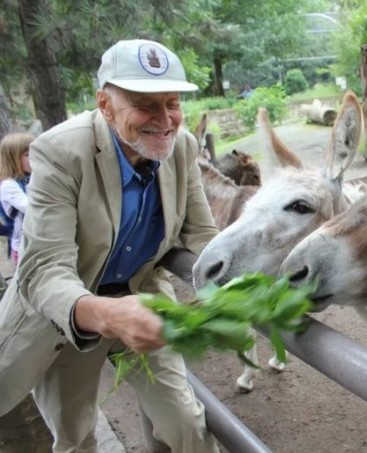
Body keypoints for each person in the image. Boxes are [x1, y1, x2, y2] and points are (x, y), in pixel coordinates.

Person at [0, 39, 220, 452]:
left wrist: (245, 280)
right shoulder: (60, 151)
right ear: (104, 104)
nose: (165, 119)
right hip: (71, 316)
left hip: (144, 300)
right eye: (145, 104)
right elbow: (44, 268)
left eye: (172, 103)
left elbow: (202, 235)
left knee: (187, 424)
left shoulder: (183, 147)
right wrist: (103, 313)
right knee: (76, 436)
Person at [0, 132, 33, 265]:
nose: (34, 157)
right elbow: (31, 207)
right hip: (24, 247)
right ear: (13, 159)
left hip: (39, 241)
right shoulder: (9, 185)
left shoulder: (30, 178)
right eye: (27, 155)